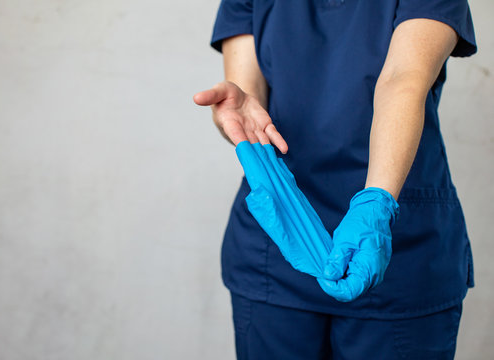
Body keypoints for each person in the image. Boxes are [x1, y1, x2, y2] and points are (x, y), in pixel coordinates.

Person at [193, 1, 477, 359]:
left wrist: (377, 200)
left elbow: (403, 79)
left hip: (398, 249)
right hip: (277, 246)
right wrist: (236, 115)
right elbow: (249, 96)